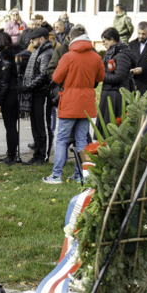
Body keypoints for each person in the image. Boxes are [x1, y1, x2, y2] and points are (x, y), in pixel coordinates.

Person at [44, 30, 105, 184]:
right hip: (86, 103)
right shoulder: (96, 57)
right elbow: (100, 77)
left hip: (70, 102)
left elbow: (56, 77)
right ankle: (81, 175)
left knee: (62, 139)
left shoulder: (68, 56)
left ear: (72, 39)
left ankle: (56, 175)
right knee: (82, 140)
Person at [21, 28, 54, 165]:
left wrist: (27, 86)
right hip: (35, 94)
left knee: (42, 126)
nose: (31, 41)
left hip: (43, 95)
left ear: (42, 39)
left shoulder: (47, 53)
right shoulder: (38, 51)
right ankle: (37, 154)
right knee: (35, 125)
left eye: (33, 39)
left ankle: (43, 156)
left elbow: (44, 75)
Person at [0, 31, 23, 164]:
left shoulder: (5, 58)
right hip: (15, 93)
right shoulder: (14, 55)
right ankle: (12, 153)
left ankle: (11, 155)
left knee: (9, 126)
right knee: (12, 126)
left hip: (9, 95)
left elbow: (3, 83)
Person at [97, 27, 133, 138]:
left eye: (104, 41)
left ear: (112, 39)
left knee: (113, 132)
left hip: (116, 96)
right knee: (106, 133)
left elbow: (119, 77)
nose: (103, 44)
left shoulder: (121, 55)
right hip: (109, 93)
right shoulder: (111, 53)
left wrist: (101, 76)